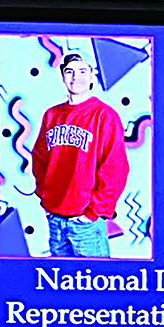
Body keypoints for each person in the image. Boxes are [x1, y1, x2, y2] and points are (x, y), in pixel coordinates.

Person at [31, 52, 129, 258]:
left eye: (83, 71)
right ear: (62, 76)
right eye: (69, 71)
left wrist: (93, 213)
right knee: (61, 277)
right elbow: (40, 159)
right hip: (55, 219)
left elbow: (115, 168)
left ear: (93, 76)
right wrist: (45, 199)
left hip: (86, 224)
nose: (76, 77)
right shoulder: (52, 115)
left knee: (94, 277)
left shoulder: (105, 116)